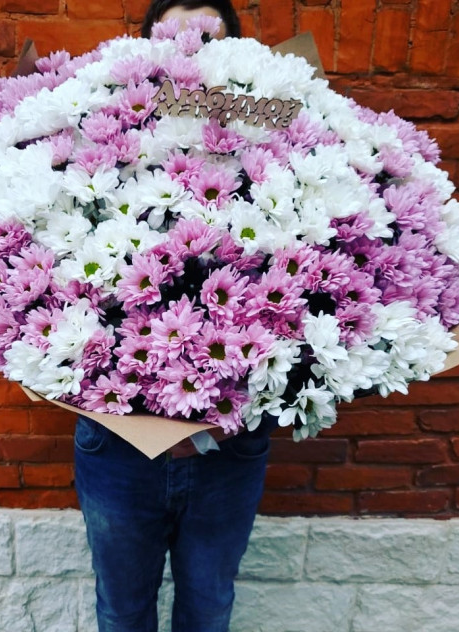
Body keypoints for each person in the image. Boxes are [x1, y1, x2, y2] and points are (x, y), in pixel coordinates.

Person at [74, 2, 276, 631]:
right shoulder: (97, 137)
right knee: (122, 611)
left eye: (208, 40)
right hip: (117, 443)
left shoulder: (275, 142)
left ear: (235, 54)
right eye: (176, 37)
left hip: (228, 451)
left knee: (209, 609)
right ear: (148, 54)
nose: (191, 51)